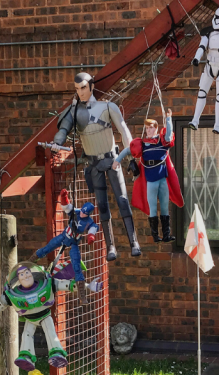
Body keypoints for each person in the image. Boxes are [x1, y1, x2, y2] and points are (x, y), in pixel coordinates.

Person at [53, 72, 140, 260]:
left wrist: (132, 154)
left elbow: (124, 131)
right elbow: (62, 130)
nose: (80, 92)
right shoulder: (74, 111)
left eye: (83, 87)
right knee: (102, 206)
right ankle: (111, 247)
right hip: (93, 164)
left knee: (122, 200)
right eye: (77, 89)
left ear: (91, 86)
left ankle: (133, 242)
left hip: (112, 160)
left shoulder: (108, 107)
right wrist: (56, 143)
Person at [113, 111, 183, 244]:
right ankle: (155, 235)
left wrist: (168, 119)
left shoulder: (162, 142)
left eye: (151, 127)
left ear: (156, 128)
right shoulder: (143, 144)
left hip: (162, 178)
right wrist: (117, 160)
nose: (149, 130)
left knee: (164, 206)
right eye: (147, 128)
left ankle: (166, 234)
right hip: (151, 179)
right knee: (152, 208)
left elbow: (169, 135)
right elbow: (128, 150)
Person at [34, 189, 99, 303]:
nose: (82, 213)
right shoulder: (76, 212)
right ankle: (33, 259)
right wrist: (64, 197)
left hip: (74, 242)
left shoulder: (89, 222)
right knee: (49, 246)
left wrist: (91, 238)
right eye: (82, 211)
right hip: (64, 236)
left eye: (85, 213)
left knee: (76, 265)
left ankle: (81, 293)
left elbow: (92, 231)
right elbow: (66, 207)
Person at [189, 7, 219, 134]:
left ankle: (217, 124)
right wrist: (196, 58)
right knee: (201, 92)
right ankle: (195, 120)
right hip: (209, 65)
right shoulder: (208, 32)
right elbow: (202, 46)